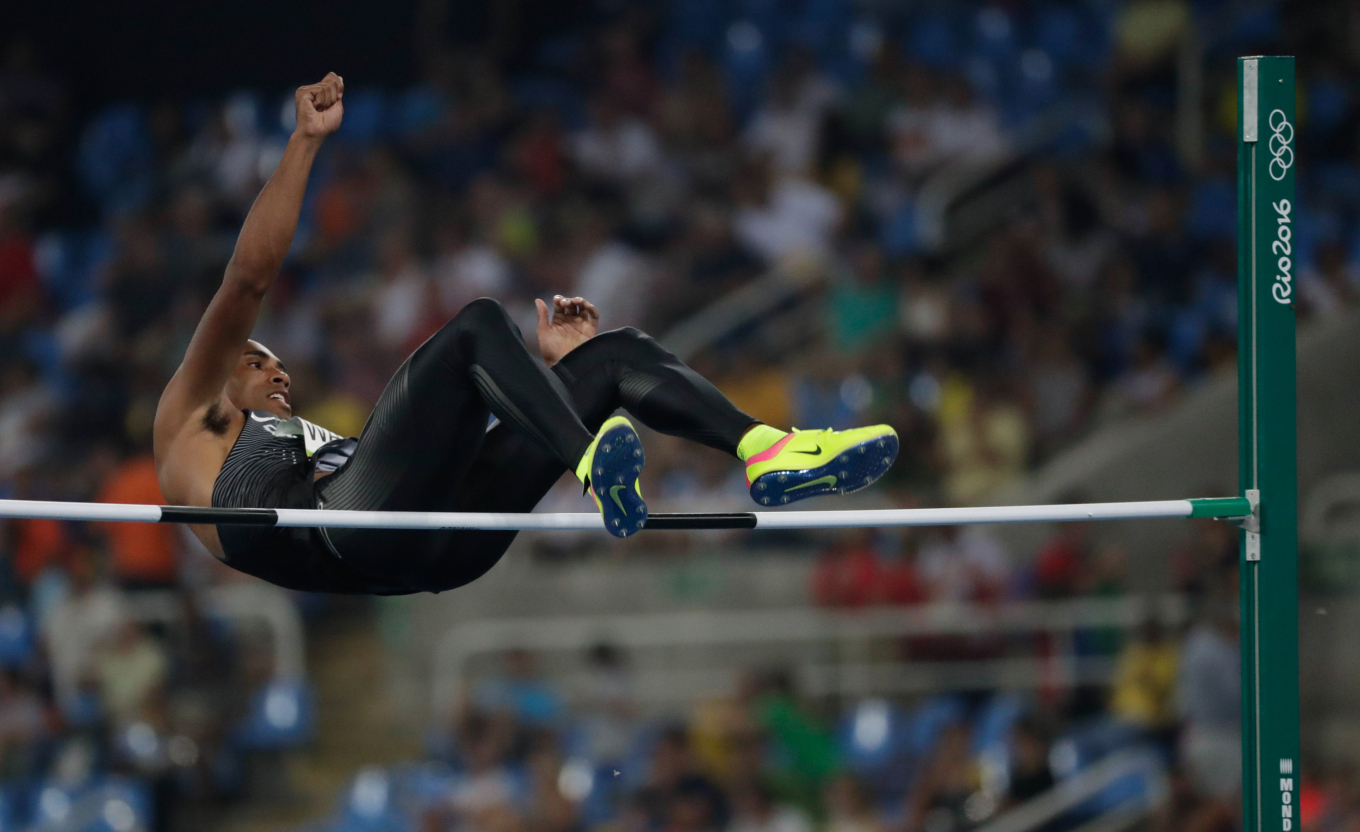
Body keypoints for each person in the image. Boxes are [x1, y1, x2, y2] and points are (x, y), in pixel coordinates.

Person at [151, 73, 900, 596]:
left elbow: (432, 448)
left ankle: (767, 451)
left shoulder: (297, 440)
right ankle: (588, 460)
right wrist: (305, 142)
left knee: (610, 357)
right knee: (476, 324)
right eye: (259, 361)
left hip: (444, 544)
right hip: (358, 533)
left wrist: (551, 378)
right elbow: (248, 280)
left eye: (280, 367)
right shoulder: (190, 419)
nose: (279, 375)